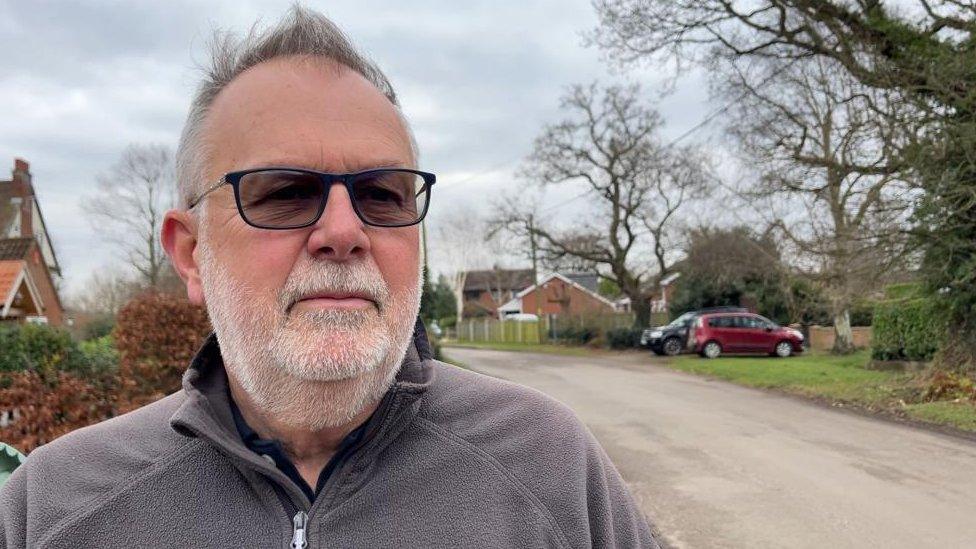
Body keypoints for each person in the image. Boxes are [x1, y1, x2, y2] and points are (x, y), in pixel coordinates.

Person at [0, 6, 657, 548]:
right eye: (284, 191)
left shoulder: (550, 465)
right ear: (190, 251)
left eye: (382, 194)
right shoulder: (54, 509)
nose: (344, 230)